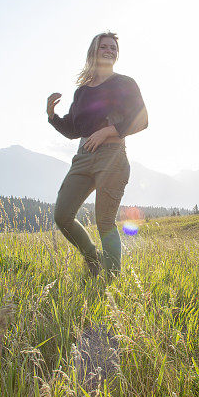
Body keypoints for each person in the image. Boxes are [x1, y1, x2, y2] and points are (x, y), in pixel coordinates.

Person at [46, 32, 148, 278]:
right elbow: (73, 129)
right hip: (83, 157)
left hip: (112, 156)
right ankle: (94, 260)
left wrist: (107, 132)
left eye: (113, 47)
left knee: (104, 222)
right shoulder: (82, 92)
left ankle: (111, 280)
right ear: (94, 51)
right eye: (104, 46)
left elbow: (142, 120)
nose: (109, 50)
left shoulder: (125, 83)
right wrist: (51, 116)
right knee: (62, 215)